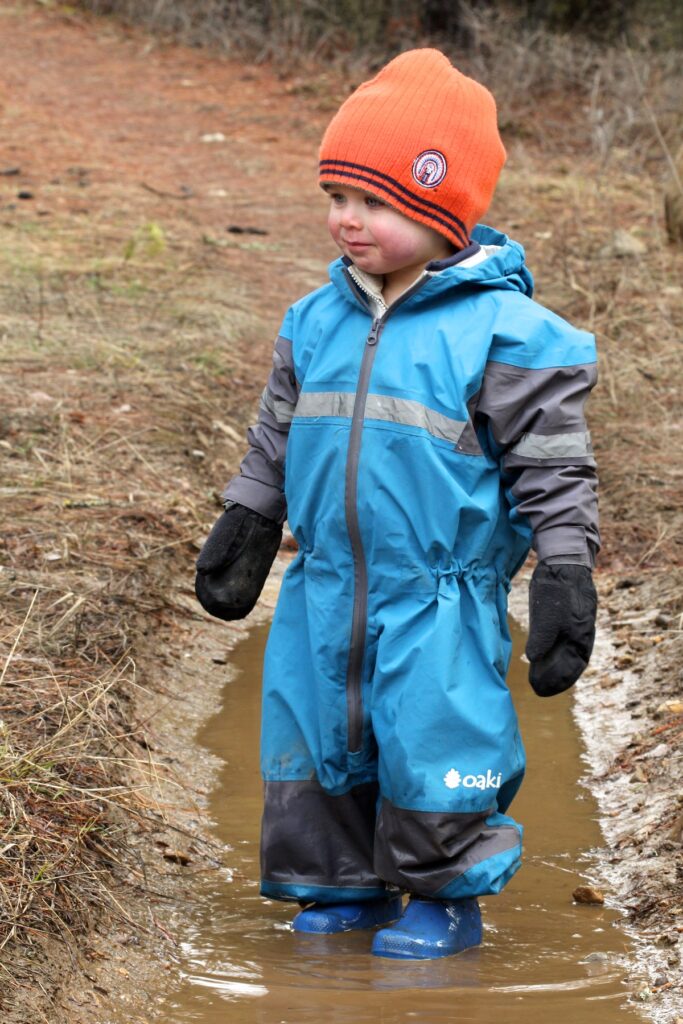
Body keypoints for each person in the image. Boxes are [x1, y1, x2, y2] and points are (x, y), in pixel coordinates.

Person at [195, 48, 599, 960]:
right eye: (337, 196)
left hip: (440, 592)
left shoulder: (507, 334)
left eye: (374, 203)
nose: (347, 220)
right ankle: (342, 884)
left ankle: (442, 897)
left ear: (442, 209)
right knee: (318, 729)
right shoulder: (314, 319)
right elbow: (275, 435)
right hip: (324, 582)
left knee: (434, 738)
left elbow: (555, 468)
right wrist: (250, 517)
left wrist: (566, 567)